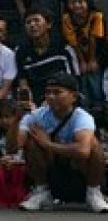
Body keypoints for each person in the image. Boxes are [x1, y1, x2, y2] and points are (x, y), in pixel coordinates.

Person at [18, 73, 108, 212]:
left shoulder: (83, 117)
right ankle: (42, 191)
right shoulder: (37, 115)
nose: (51, 96)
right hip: (52, 173)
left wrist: (48, 144)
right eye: (48, 92)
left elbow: (83, 151)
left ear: (74, 96)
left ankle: (93, 193)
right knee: (31, 142)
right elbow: (15, 146)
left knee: (93, 144)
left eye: (57, 92)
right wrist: (17, 118)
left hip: (79, 174)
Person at [14, 9, 79, 106]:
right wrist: (28, 103)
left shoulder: (63, 49)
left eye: (36, 20)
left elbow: (73, 80)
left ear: (48, 24)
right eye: (28, 22)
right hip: (36, 104)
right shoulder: (21, 51)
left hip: (63, 100)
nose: (32, 25)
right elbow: (23, 81)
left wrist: (52, 100)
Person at [59, 0, 105, 103]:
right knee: (82, 75)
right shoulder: (66, 19)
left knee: (95, 74)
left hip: (98, 51)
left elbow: (94, 38)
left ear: (88, 2)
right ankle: (86, 102)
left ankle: (99, 103)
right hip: (78, 53)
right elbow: (73, 42)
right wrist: (82, 61)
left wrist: (92, 60)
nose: (76, 5)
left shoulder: (96, 16)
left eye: (80, 2)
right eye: (72, 2)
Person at [0, 99, 27, 209]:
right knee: (0, 172)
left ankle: (19, 197)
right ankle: (3, 198)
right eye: (1, 117)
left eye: (8, 117)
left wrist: (18, 161)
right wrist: (2, 160)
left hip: (22, 163)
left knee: (18, 171)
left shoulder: (22, 131)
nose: (4, 121)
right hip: (5, 163)